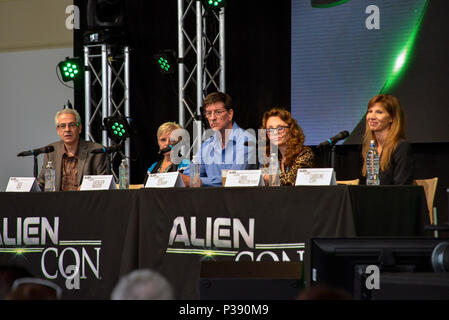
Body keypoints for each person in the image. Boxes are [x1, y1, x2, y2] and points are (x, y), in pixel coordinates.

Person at [181, 92, 256, 187]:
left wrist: (198, 181)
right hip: (212, 199)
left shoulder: (247, 140)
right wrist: (186, 178)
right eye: (208, 113)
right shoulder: (207, 145)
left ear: (230, 114)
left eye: (218, 112)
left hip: (239, 199)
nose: (212, 118)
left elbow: (234, 178)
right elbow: (188, 175)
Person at [37, 108, 109, 191]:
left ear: (80, 128)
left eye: (72, 125)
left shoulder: (96, 151)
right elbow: (42, 182)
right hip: (57, 201)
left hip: (85, 201)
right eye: (63, 126)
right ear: (58, 130)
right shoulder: (51, 150)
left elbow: (103, 182)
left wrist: (87, 187)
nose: (67, 129)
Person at [362, 94, 413, 185]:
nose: (371, 117)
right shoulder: (370, 148)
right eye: (370, 111)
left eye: (379, 112)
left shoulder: (401, 147)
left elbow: (402, 187)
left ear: (391, 118)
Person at [261, 108, 317, 186]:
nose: (275, 132)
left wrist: (266, 177)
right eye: (270, 129)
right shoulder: (272, 156)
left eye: (280, 128)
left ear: (291, 130)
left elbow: (290, 181)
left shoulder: (305, 153)